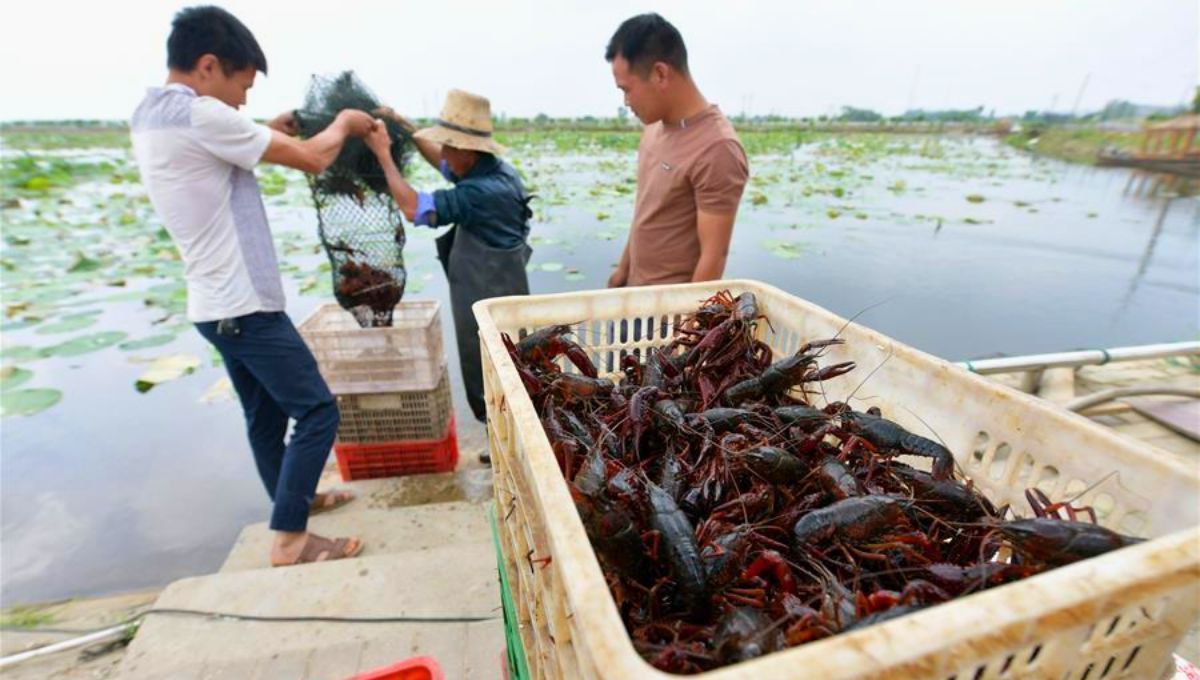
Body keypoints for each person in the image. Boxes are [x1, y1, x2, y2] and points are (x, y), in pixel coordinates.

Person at [131, 6, 377, 566]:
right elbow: (316, 158)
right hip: (245, 305)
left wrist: (269, 124)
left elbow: (220, 136)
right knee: (317, 411)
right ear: (208, 65)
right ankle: (290, 540)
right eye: (240, 86)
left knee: (265, 416)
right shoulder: (200, 118)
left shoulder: (154, 114)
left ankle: (297, 502)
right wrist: (344, 122)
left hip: (212, 305)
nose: (242, 101)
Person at [366, 90, 533, 429]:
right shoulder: (493, 171)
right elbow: (444, 164)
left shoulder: (480, 193)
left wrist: (384, 155)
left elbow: (415, 208)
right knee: (507, 366)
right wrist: (404, 126)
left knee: (490, 365)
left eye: (448, 146)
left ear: (467, 152)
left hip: (488, 290)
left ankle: (504, 438)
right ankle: (500, 434)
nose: (442, 155)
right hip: (498, 284)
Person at [604, 13, 749, 288]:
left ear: (660, 73)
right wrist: (622, 271)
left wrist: (690, 326)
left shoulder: (717, 148)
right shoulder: (653, 127)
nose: (625, 101)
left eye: (627, 90)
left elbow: (713, 256)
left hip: (669, 314)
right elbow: (645, 213)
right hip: (632, 297)